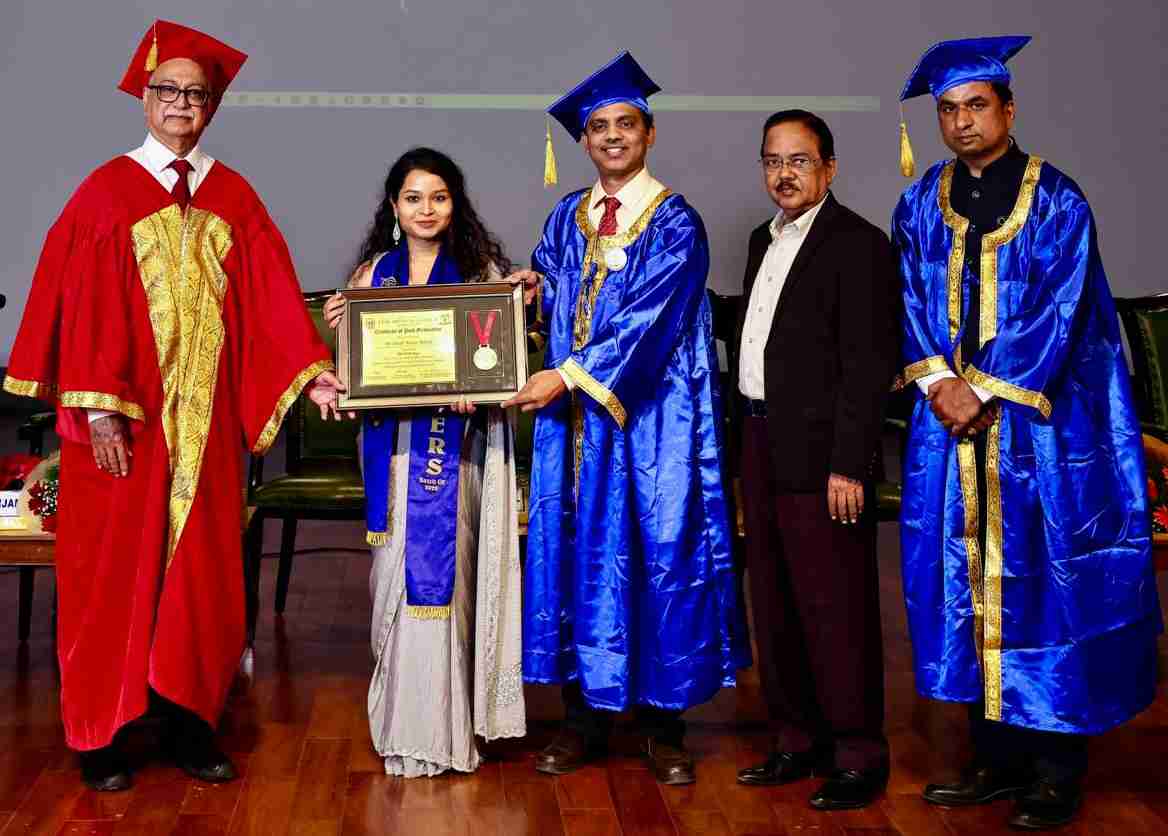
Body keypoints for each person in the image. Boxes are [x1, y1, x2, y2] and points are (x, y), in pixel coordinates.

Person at [1, 21, 344, 791]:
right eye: (168, 90)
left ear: (211, 106)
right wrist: (98, 412)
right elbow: (81, 313)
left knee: (203, 573)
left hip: (207, 428)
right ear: (144, 97)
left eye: (197, 93)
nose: (182, 103)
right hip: (122, 425)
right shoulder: (106, 193)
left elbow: (271, 303)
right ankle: (104, 732)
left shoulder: (234, 196)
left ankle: (190, 720)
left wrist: (310, 374)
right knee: (109, 575)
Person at [893, 36, 1161, 830]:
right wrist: (940, 383)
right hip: (950, 430)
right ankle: (995, 759)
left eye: (976, 106)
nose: (961, 121)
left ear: (1008, 111)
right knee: (968, 587)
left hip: (1037, 432)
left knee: (1046, 588)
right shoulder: (921, 202)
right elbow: (908, 298)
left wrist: (981, 388)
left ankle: (1055, 769)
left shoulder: (1057, 202)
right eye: (949, 109)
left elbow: (1059, 311)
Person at [504, 51, 749, 786]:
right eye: (600, 127)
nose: (613, 136)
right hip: (574, 429)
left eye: (626, 124)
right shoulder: (567, 217)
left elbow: (648, 322)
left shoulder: (675, 222)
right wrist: (532, 294)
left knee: (654, 557)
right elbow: (558, 298)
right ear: (584, 140)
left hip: (649, 426)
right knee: (577, 555)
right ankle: (581, 719)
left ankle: (663, 725)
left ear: (649, 132)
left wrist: (567, 375)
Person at [322, 148, 526, 776]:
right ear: (394, 206)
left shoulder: (481, 272)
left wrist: (479, 386)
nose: (426, 209)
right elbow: (356, 372)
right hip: (390, 451)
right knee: (394, 583)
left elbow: (499, 362)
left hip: (453, 451)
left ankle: (443, 732)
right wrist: (341, 330)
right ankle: (400, 726)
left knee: (447, 583)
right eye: (413, 198)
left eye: (438, 197)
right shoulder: (370, 276)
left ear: (454, 204)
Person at [732, 110, 898, 810]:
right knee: (774, 602)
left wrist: (850, 464)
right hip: (759, 440)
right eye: (773, 161)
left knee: (835, 607)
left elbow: (868, 364)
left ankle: (857, 754)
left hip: (824, 455)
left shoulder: (859, 244)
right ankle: (796, 741)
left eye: (799, 160)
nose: (784, 174)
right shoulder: (760, 239)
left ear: (829, 167)